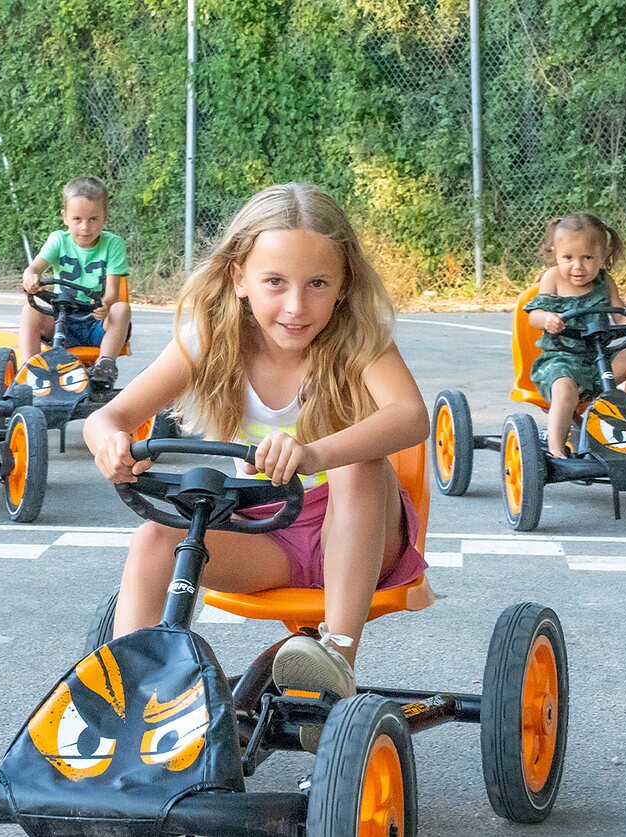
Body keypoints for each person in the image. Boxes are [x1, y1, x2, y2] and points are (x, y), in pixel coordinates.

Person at [83, 183, 429, 748]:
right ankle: (132, 707)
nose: (296, 307)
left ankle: (335, 664)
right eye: (275, 283)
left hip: (363, 534)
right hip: (267, 532)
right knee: (154, 539)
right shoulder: (213, 341)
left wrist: (314, 452)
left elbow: (411, 417)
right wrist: (109, 439)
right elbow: (114, 414)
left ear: (344, 287)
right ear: (239, 277)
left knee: (358, 466)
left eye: (318, 284)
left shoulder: (358, 340)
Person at [524, 213, 626, 458]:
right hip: (560, 362)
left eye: (587, 258)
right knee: (565, 390)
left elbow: (620, 314)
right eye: (568, 258)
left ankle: (622, 417)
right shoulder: (552, 278)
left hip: (599, 360)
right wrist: (547, 319)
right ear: (555, 253)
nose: (578, 266)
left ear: (603, 256)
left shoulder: (605, 282)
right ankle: (556, 447)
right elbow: (534, 315)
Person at [19, 176, 131, 387]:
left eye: (93, 219)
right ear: (65, 217)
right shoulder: (58, 240)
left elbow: (113, 293)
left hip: (95, 323)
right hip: (62, 321)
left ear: (105, 217)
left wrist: (105, 305)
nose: (85, 227)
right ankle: (29, 370)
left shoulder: (113, 244)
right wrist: (31, 276)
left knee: (122, 309)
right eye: (77, 219)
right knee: (29, 311)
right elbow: (35, 267)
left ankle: (104, 365)